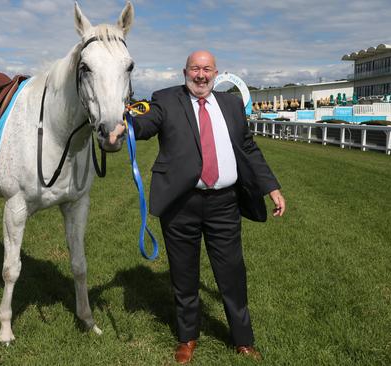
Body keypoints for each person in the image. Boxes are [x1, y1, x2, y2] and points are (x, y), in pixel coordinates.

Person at [113, 50, 285, 363]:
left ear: (216, 73)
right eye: (195, 69)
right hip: (181, 204)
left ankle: (243, 340)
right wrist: (125, 127)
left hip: (224, 204)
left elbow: (248, 147)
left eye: (207, 69)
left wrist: (271, 187)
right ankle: (187, 338)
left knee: (232, 274)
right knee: (184, 276)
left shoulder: (231, 105)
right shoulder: (165, 99)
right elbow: (145, 123)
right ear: (185, 71)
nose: (201, 75)